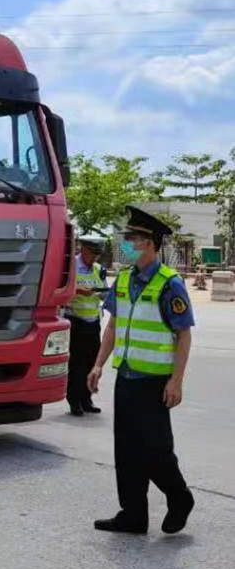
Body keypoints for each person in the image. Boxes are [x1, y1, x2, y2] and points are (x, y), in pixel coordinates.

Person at [88, 206, 195, 534]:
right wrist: (98, 364)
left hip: (154, 382)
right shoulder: (122, 279)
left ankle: (180, 497)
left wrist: (176, 381)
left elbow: (184, 334)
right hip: (128, 378)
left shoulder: (169, 284)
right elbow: (113, 326)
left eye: (133, 238)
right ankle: (133, 514)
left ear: (150, 243)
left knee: (156, 450)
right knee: (128, 449)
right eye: (128, 238)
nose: (128, 243)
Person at [64, 235, 108, 416]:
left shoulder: (98, 269)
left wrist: (102, 293)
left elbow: (104, 293)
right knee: (76, 364)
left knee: (91, 362)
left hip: (93, 323)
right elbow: (59, 290)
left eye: (98, 255)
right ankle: (74, 401)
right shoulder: (70, 267)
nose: (95, 258)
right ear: (84, 249)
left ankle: (86, 399)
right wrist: (78, 291)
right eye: (93, 254)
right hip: (75, 321)